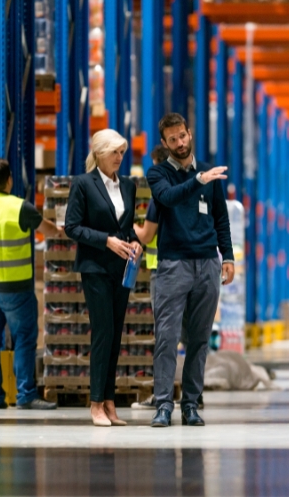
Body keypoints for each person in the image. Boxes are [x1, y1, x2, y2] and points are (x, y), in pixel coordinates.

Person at [146, 113, 234, 428]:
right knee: (167, 338)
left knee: (199, 339)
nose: (180, 143)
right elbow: (168, 198)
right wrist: (196, 181)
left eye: (183, 136)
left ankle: (191, 405)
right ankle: (163, 405)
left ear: (189, 132)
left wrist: (228, 256)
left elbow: (220, 217)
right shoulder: (158, 174)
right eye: (173, 139)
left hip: (207, 264)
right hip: (173, 265)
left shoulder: (208, 173)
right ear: (164, 143)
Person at [0, 159, 62, 410]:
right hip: (16, 287)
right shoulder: (20, 207)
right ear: (9, 180)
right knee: (24, 339)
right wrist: (59, 230)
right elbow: (46, 231)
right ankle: (25, 394)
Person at [64, 128, 142, 427]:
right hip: (95, 267)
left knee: (115, 336)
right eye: (114, 152)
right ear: (98, 154)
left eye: (122, 152)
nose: (119, 158)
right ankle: (95, 403)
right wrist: (106, 240)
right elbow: (72, 227)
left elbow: (126, 227)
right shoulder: (83, 184)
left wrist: (134, 241)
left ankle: (109, 403)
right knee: (103, 333)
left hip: (122, 269)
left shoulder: (129, 187)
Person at [133, 145, 202, 411]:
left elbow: (147, 236)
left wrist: (129, 224)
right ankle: (192, 395)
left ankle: (163, 396)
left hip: (165, 272)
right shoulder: (192, 193)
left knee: (165, 337)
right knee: (189, 334)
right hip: (191, 270)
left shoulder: (160, 197)